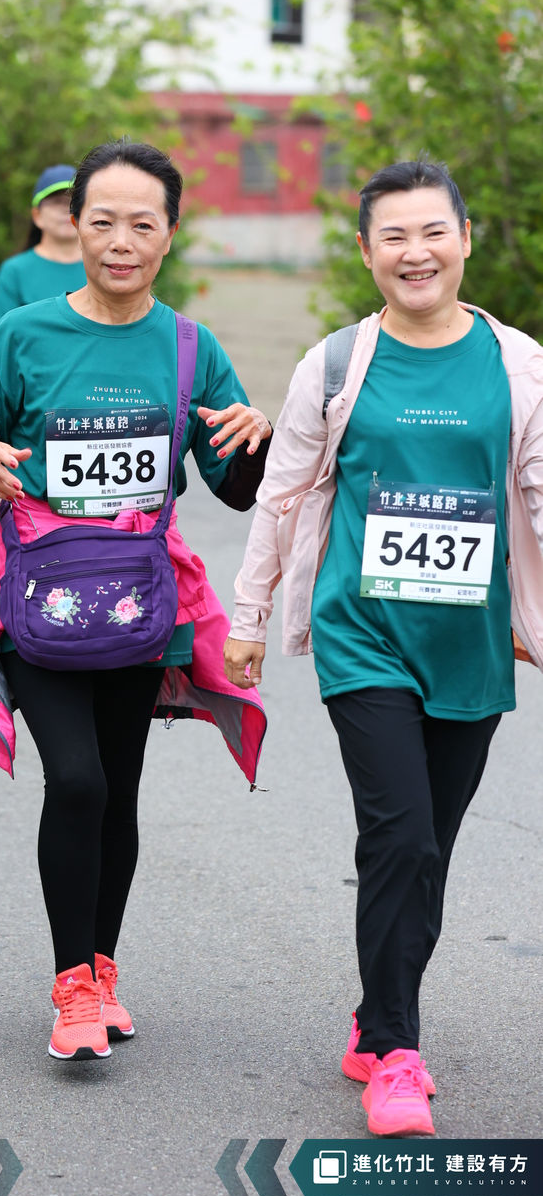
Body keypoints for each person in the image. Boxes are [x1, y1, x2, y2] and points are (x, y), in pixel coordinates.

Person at [224, 159, 543, 1137]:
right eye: (394, 236)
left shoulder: (518, 364)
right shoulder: (334, 363)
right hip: (361, 635)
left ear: (464, 239)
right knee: (399, 834)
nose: (416, 252)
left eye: (432, 231)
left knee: (425, 849)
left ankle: (373, 1018)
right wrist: (247, 616)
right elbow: (281, 493)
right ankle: (397, 1053)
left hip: (471, 644)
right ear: (365, 252)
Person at [0, 139, 271, 1062]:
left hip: (139, 605)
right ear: (72, 227)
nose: (120, 241)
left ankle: (100, 969)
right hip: (36, 598)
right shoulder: (22, 337)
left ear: (169, 233)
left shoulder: (190, 348)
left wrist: (253, 440)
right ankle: (70, 987)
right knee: (78, 780)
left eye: (141, 224)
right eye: (102, 222)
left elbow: (234, 489)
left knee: (117, 791)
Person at [0, 163, 85, 332]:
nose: (67, 209)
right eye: (57, 202)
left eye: (74, 201)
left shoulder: (105, 266)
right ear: (37, 215)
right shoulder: (15, 271)